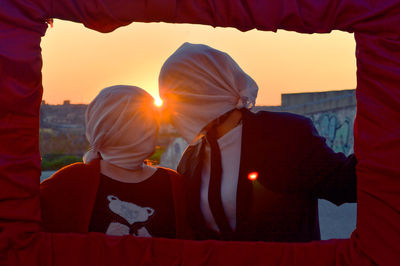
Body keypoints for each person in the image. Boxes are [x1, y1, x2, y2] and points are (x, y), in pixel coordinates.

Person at [158, 43, 357, 242]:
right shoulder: (190, 159)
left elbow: (346, 183)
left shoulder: (287, 135)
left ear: (205, 91)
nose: (168, 110)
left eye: (175, 97)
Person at [40, 85, 188, 239]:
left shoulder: (173, 183)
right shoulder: (70, 182)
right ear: (109, 128)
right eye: (139, 119)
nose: (152, 126)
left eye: (153, 118)